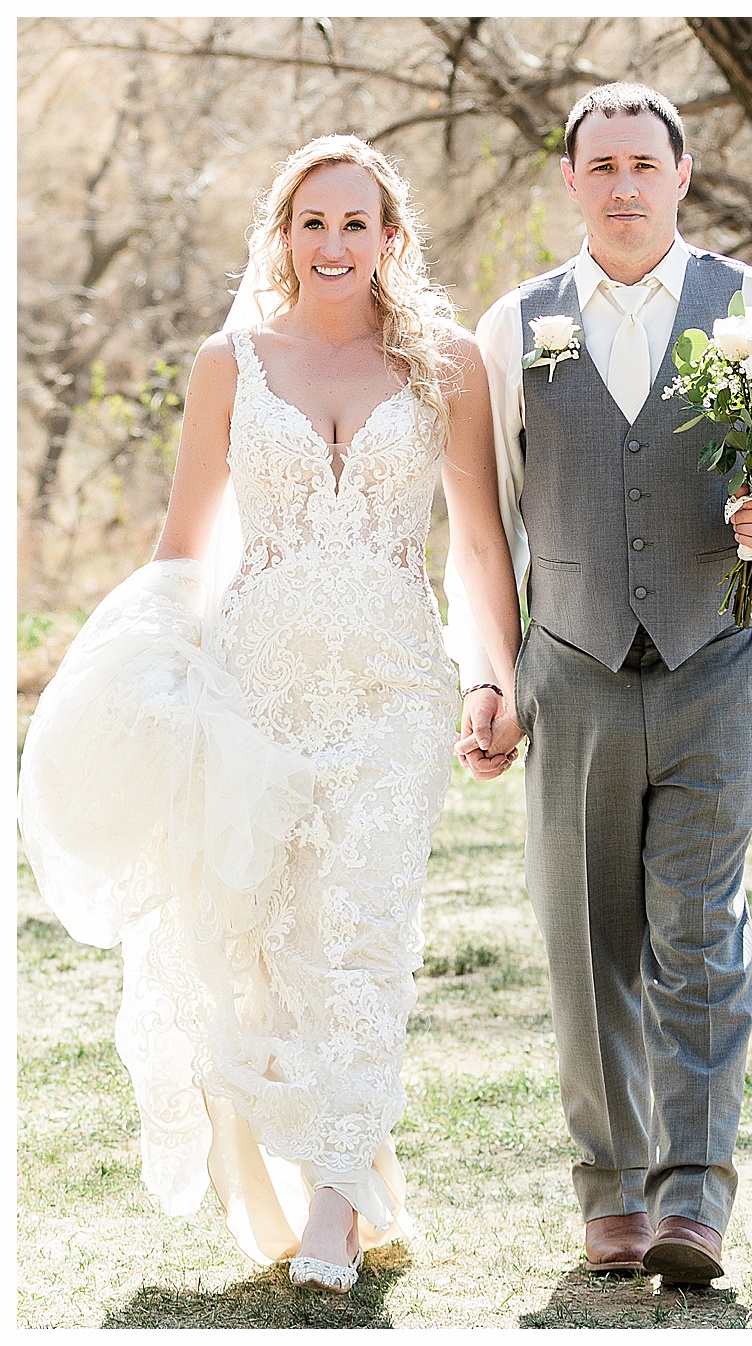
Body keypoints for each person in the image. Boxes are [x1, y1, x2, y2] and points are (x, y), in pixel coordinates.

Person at [19, 135, 524, 1293]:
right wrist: (144, 671)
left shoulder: (449, 364)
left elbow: (482, 545)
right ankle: (310, 1183)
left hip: (399, 687)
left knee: (362, 931)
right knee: (264, 947)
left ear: (393, 240)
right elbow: (183, 545)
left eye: (357, 223)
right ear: (283, 238)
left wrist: (495, 674)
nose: (333, 244)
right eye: (312, 222)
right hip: (256, 689)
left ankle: (338, 1207)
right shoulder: (229, 362)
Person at [443, 83, 752, 1283]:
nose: (625, 184)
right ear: (570, 184)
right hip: (568, 671)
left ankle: (693, 1203)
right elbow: (486, 531)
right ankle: (611, 1194)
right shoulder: (513, 326)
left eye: (646, 163)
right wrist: (490, 677)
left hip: (715, 661)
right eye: (602, 165)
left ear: (683, 178)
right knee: (586, 945)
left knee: (701, 934)